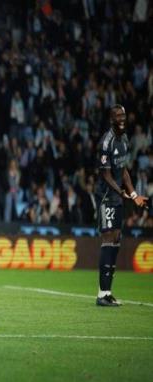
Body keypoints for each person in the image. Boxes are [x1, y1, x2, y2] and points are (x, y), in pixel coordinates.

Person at [95, 105, 148, 307]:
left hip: (118, 196)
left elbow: (123, 171)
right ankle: (102, 294)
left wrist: (133, 194)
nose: (122, 118)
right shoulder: (106, 142)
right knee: (108, 237)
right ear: (112, 119)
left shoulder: (124, 140)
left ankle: (107, 292)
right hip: (106, 196)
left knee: (116, 238)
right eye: (118, 116)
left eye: (123, 115)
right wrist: (120, 192)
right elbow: (105, 174)